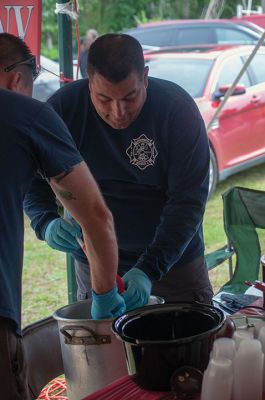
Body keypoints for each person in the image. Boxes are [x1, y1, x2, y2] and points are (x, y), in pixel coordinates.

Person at [24, 33, 213, 312]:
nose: (118, 112)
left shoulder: (177, 111)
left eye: (129, 97)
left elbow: (188, 203)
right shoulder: (63, 111)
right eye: (104, 99)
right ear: (89, 83)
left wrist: (148, 269)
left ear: (145, 77)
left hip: (175, 266)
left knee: (186, 352)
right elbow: (31, 176)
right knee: (105, 352)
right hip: (96, 268)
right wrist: (45, 220)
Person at [0, 32, 127, 399]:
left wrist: (45, 221)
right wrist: (103, 294)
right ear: (16, 79)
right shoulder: (24, 113)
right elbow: (97, 218)